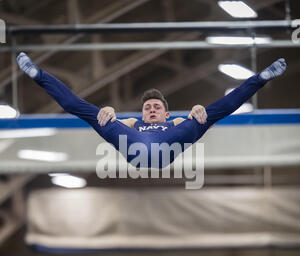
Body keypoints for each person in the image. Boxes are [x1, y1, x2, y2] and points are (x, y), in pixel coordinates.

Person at [17, 52, 286, 168]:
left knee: (210, 113)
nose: (152, 110)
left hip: (168, 146)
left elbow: (204, 120)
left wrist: (197, 110)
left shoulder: (178, 120)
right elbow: (119, 125)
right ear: (142, 114)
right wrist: (109, 110)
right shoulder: (134, 124)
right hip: (137, 148)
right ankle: (38, 74)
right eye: (148, 108)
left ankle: (260, 78)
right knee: (84, 109)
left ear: (166, 114)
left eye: (157, 107)